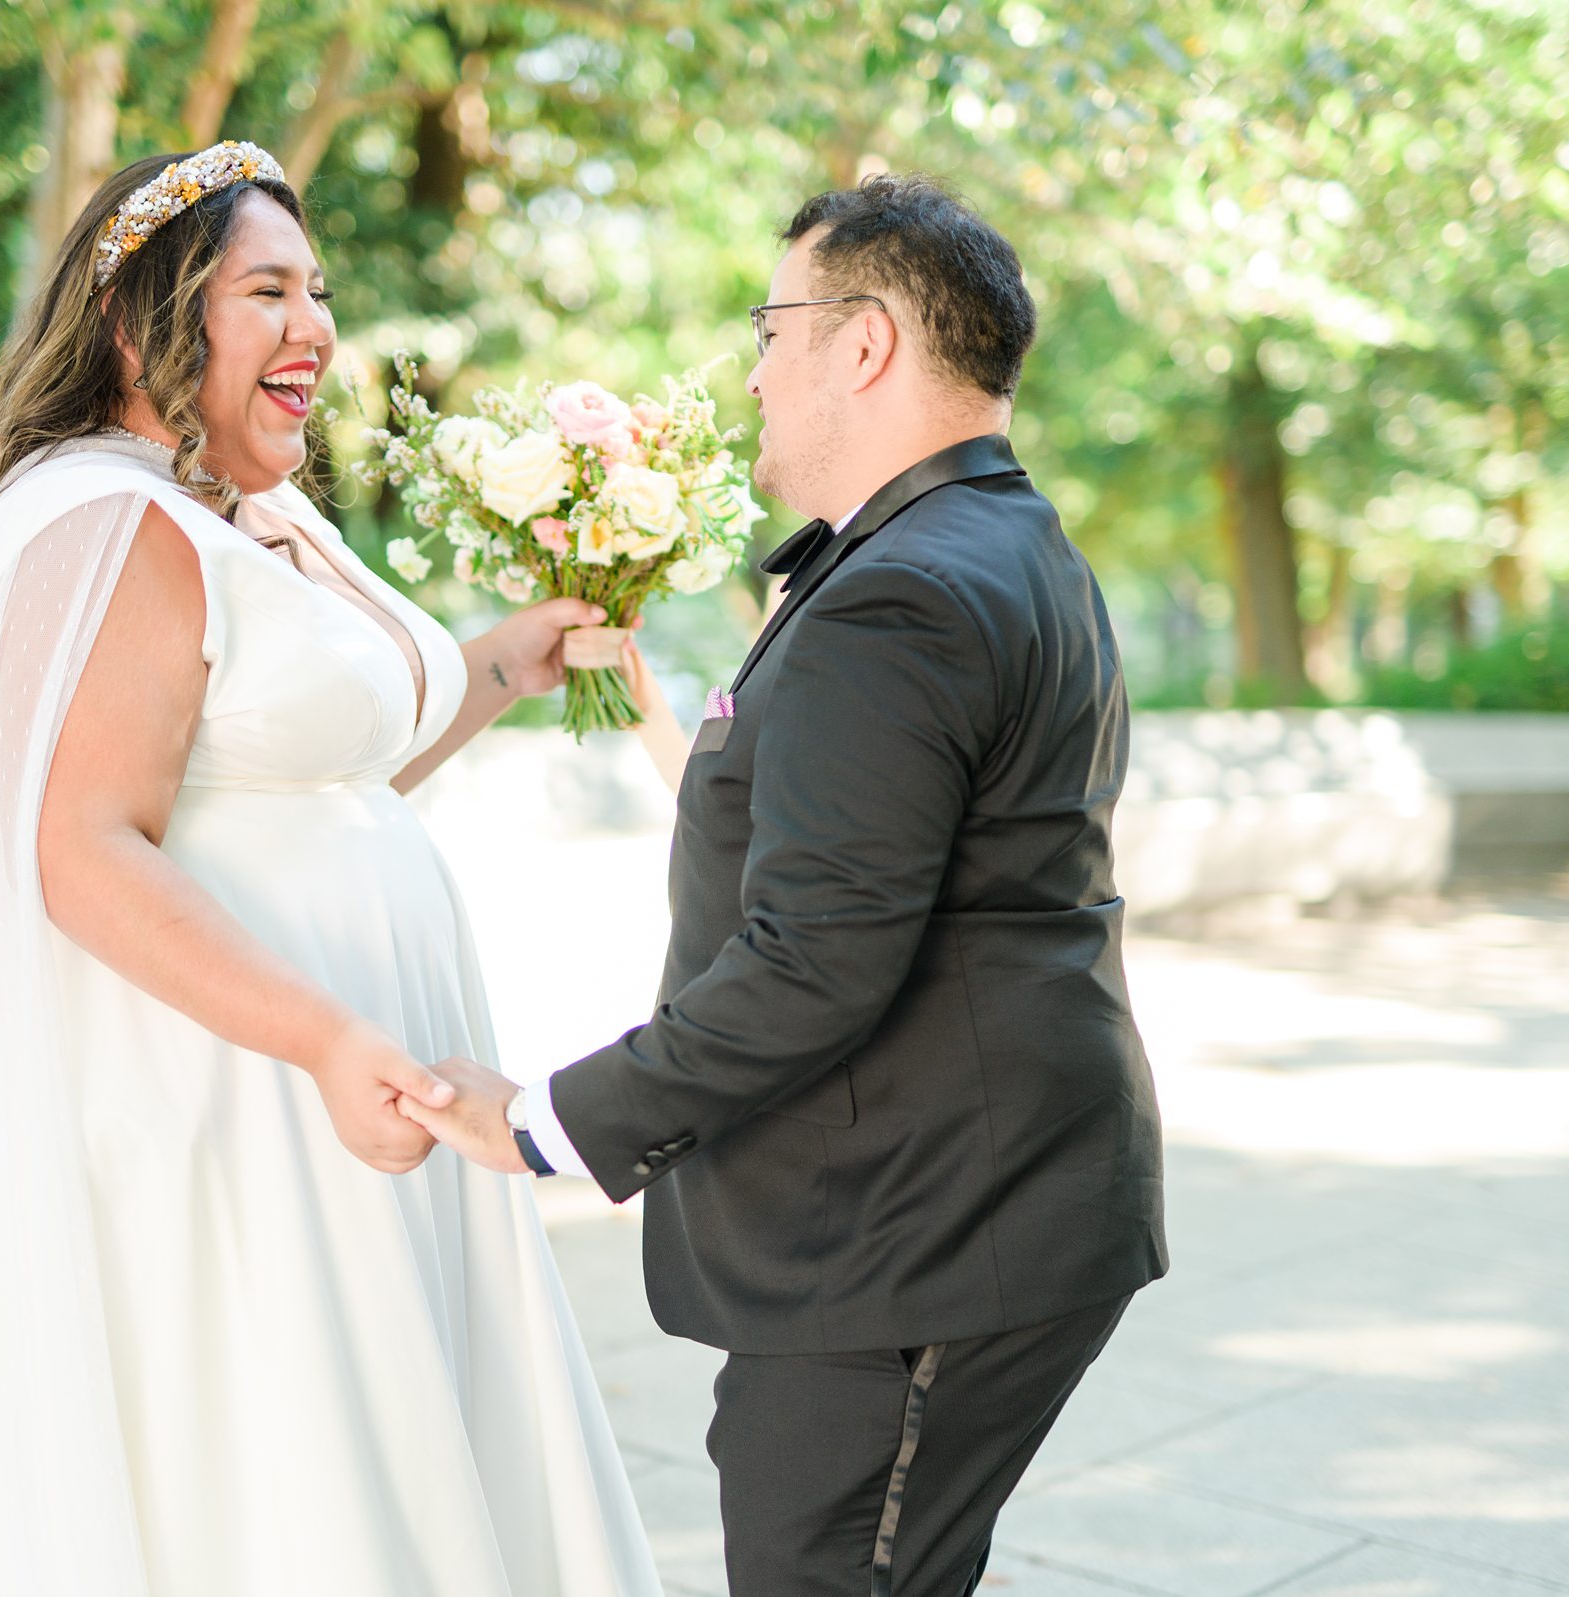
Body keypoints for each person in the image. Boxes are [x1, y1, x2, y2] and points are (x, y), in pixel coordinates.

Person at [0, 142, 660, 1597]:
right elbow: (78, 847)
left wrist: (504, 666)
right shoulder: (110, 520)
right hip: (238, 1114)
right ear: (147, 322)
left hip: (327, 1102)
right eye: (266, 288)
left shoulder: (235, 511)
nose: (315, 326)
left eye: (318, 290)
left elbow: (312, 778)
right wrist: (333, 1039)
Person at [405, 175, 1168, 1597]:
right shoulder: (997, 544)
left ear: (866, 343)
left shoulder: (902, 591)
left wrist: (542, 1121)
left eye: (773, 326)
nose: (752, 372)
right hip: (978, 1196)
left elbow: (816, 955)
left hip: (927, 1229)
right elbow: (853, 833)